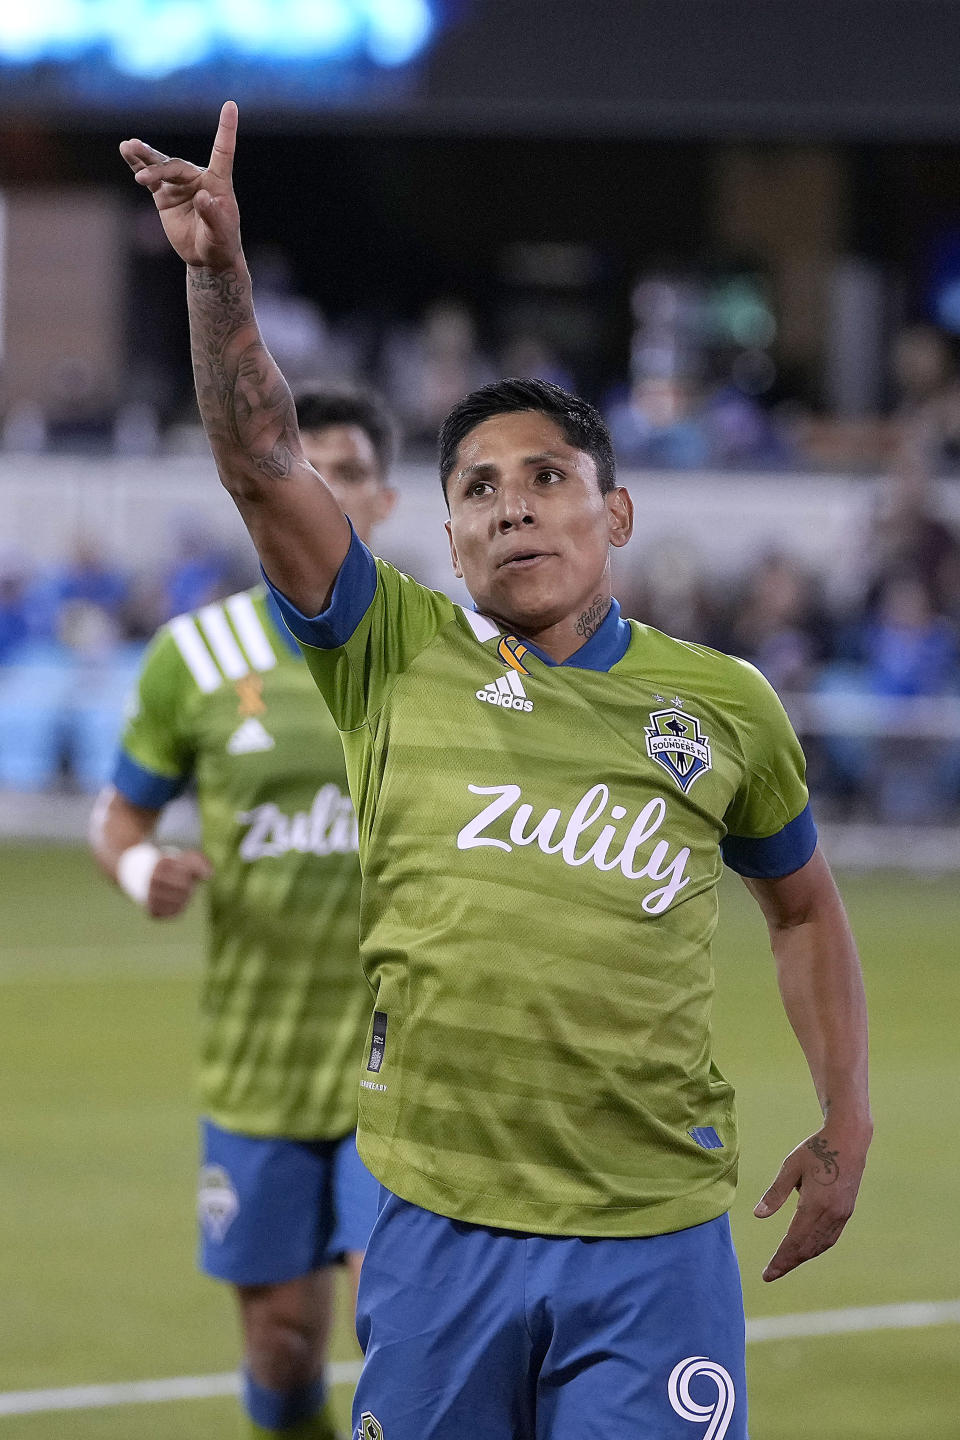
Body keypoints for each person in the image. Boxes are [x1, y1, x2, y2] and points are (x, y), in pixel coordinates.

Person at [120, 103, 873, 1440]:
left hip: (653, 1241)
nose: (510, 503)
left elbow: (804, 907)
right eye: (476, 486)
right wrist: (218, 275)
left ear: (616, 512)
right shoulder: (385, 649)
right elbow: (259, 457)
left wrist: (845, 1118)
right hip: (439, 1225)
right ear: (448, 535)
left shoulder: (726, 705)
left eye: (547, 476)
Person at [90, 382, 399, 1440]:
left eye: (346, 469)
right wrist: (143, 875)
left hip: (400, 1066)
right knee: (281, 1349)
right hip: (257, 1062)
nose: (320, 487)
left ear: (388, 499)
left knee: (397, 1326)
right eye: (299, 464)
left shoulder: (441, 652)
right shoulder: (198, 657)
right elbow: (118, 822)